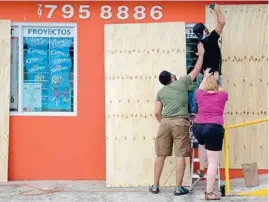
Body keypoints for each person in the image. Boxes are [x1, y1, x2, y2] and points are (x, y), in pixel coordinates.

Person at [149, 43, 204, 196]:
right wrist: (201, 54)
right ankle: (178, 188)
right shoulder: (181, 83)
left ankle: (155, 186)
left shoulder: (161, 92)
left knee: (160, 155)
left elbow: (157, 112)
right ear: (172, 77)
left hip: (165, 122)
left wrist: (165, 122)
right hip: (180, 122)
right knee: (181, 155)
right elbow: (197, 70)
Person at [192, 68, 228, 200]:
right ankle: (209, 193)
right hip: (213, 127)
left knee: (202, 143)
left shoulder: (200, 94)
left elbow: (201, 86)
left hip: (197, 126)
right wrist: (217, 78)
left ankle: (201, 168)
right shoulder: (223, 94)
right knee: (213, 162)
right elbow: (221, 89)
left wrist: (206, 76)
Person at [193, 4, 225, 87]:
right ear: (205, 30)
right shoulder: (211, 38)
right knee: (217, 98)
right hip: (214, 76)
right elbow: (222, 22)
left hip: (202, 76)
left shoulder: (198, 44)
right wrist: (217, 9)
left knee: (202, 98)